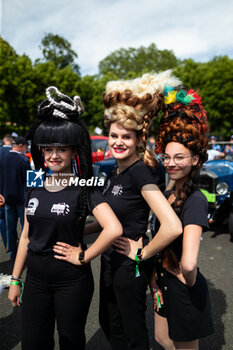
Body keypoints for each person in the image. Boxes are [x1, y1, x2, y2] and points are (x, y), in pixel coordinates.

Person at [8, 86, 123, 350]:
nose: (53, 155)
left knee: (71, 341)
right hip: (35, 279)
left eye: (61, 148)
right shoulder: (35, 180)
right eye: (47, 148)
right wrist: (15, 279)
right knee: (34, 343)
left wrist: (84, 255)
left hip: (72, 281)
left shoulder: (86, 184)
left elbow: (113, 228)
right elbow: (27, 234)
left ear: (73, 151)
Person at [85, 70, 183, 350]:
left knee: (132, 333)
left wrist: (142, 254)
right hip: (109, 262)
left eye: (126, 137)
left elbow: (172, 225)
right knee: (108, 322)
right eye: (114, 135)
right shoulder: (117, 171)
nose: (118, 141)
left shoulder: (140, 173)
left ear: (139, 139)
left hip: (130, 267)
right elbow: (112, 220)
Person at [116, 87, 214, 349]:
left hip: (182, 288)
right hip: (162, 283)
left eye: (180, 157)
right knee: (161, 338)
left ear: (195, 159)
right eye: (167, 156)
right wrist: (157, 278)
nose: (171, 163)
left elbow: (190, 264)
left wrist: (185, 283)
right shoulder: (167, 192)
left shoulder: (195, 200)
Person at [0, 136, 31, 260]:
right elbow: (29, 181)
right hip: (21, 199)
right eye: (26, 147)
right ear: (21, 146)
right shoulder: (24, 160)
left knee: (10, 227)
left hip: (7, 198)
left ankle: (12, 253)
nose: (26, 149)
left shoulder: (2, 159)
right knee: (25, 228)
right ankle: (25, 253)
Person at [0, 133, 13, 248]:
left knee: (2, 219)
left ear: (4, 140)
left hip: (1, 191)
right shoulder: (16, 153)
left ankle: (7, 244)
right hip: (15, 191)